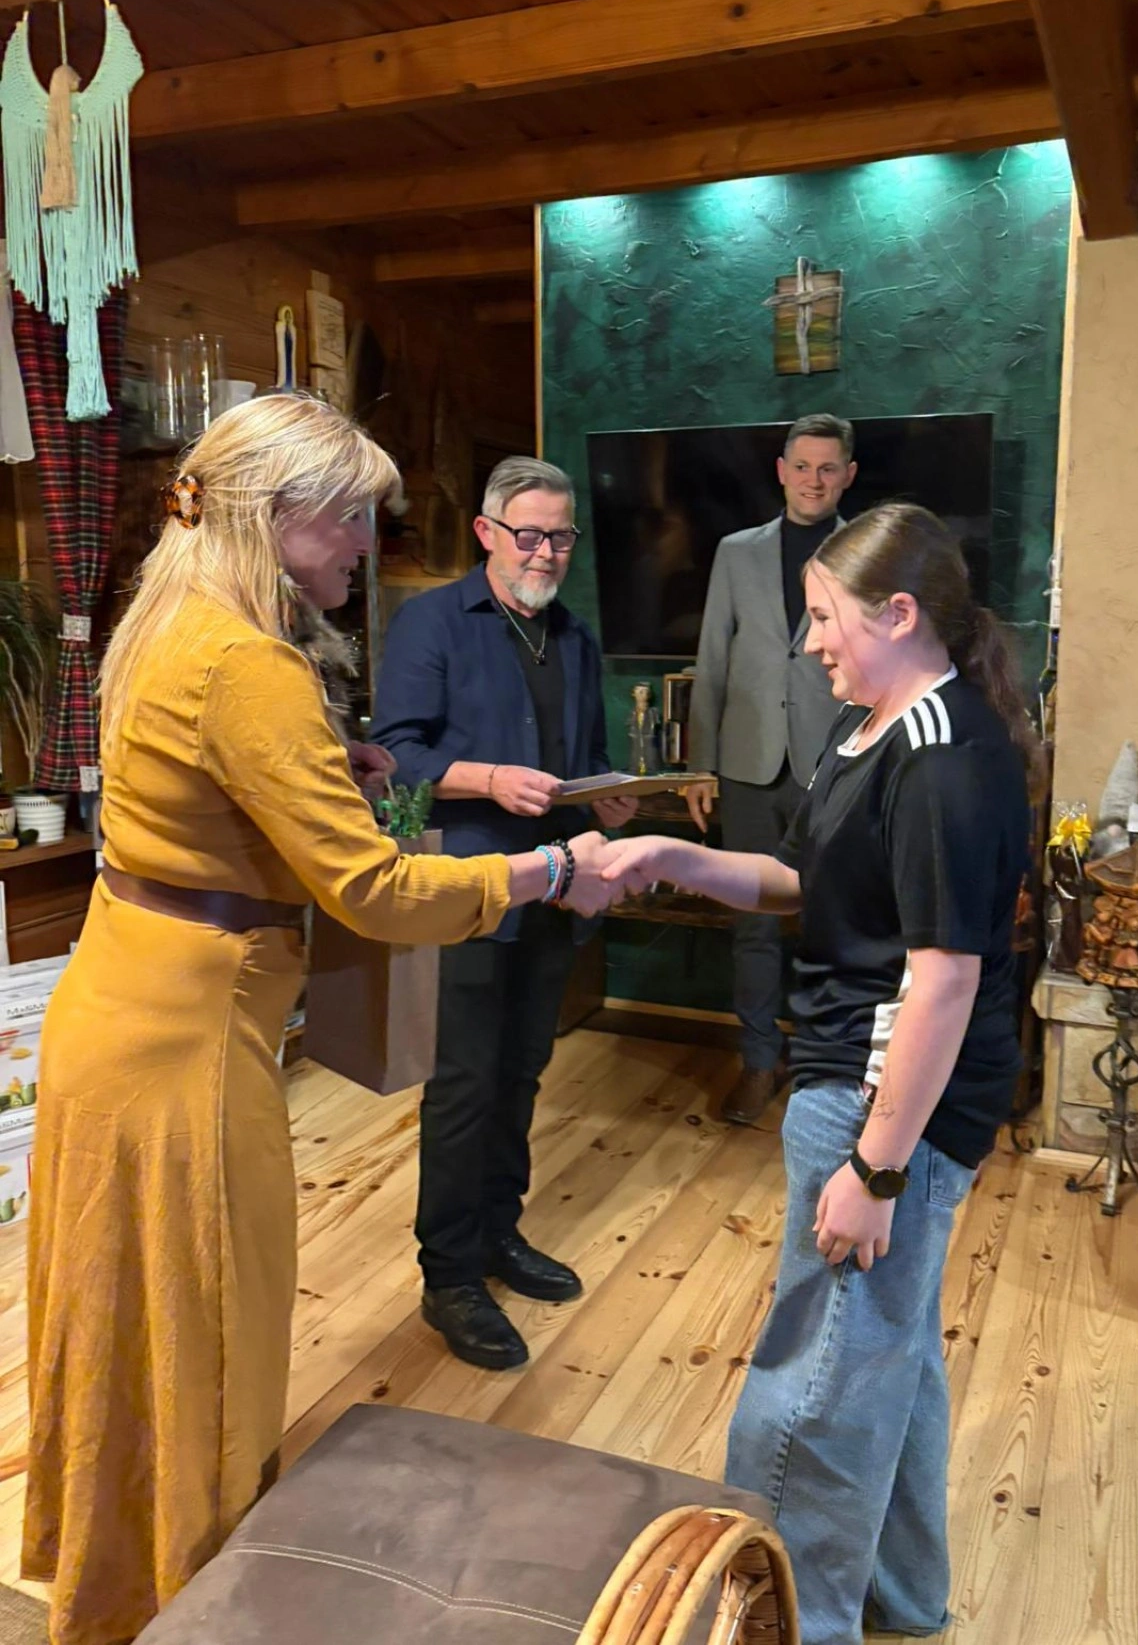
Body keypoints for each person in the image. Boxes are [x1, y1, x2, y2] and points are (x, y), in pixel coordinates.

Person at [21, 396, 616, 1645]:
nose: (364, 542)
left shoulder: (169, 618)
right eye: (347, 517)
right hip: (184, 1051)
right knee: (211, 1341)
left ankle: (117, 1584)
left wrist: (324, 774)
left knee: (133, 1328)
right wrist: (547, 870)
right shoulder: (250, 664)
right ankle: (186, 1598)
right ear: (271, 514)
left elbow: (193, 801)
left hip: (118, 1009)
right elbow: (377, 891)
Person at [601, 503, 1034, 1645]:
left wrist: (876, 1169)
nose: (807, 642)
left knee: (812, 1390)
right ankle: (902, 1599)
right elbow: (808, 883)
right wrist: (671, 853)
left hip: (888, 1106)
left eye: (824, 617)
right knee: (885, 1355)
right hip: (857, 1084)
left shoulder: (941, 759)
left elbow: (941, 982)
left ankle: (790, 1625)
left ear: (898, 615)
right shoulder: (872, 726)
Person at [372, 456, 637, 1371]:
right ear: (487, 532)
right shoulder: (431, 623)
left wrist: (608, 798)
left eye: (561, 535)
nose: (547, 551)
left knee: (521, 1072)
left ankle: (498, 1233)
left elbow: (585, 757)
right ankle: (448, 1274)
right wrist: (486, 778)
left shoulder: (576, 637)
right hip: (468, 892)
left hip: (554, 891)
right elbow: (392, 756)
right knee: (463, 1084)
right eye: (529, 534)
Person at [686, 413, 857, 1123]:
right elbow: (713, 660)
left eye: (828, 467)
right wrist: (700, 765)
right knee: (751, 928)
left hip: (835, 766)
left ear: (848, 475)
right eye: (802, 466)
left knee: (833, 928)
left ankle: (824, 1068)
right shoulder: (736, 553)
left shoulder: (866, 551)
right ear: (781, 471)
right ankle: (759, 1059)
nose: (814, 480)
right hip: (748, 766)